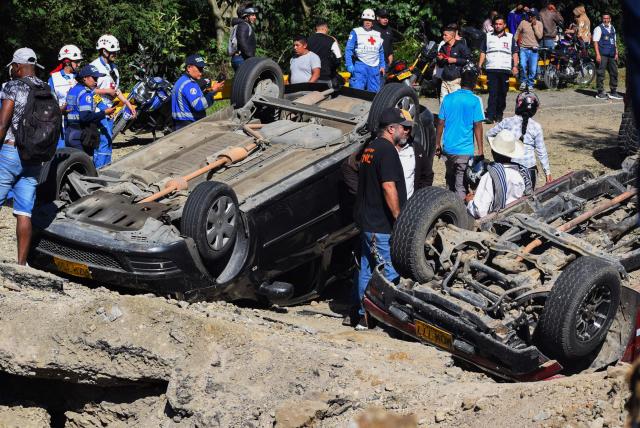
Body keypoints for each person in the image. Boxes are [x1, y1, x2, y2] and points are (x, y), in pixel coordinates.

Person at [353, 107, 410, 329]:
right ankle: (385, 318)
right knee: (388, 272)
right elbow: (388, 186)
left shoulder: (370, 148)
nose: (406, 132)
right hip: (381, 225)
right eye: (403, 128)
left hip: (367, 222)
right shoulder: (387, 151)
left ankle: (364, 317)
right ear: (390, 128)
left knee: (367, 271)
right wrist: (398, 217)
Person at [0, 48, 49, 265]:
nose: (11, 70)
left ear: (18, 66)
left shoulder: (13, 86)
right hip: (35, 158)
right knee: (24, 212)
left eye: (13, 66)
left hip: (11, 152)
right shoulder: (47, 89)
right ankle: (21, 265)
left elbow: (3, 124)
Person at [435, 64, 485, 200]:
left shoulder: (448, 98)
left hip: (448, 149)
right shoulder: (475, 101)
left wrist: (437, 143)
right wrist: (480, 150)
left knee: (450, 179)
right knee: (461, 185)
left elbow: (440, 122)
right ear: (474, 83)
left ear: (460, 80)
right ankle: (460, 214)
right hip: (464, 151)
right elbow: (478, 126)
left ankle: (448, 206)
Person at [486, 91, 551, 188]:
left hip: (509, 167)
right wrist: (547, 173)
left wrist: (498, 149)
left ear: (518, 105)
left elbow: (488, 134)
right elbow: (541, 152)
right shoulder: (536, 127)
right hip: (530, 170)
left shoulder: (507, 122)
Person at [90, 34, 135, 168]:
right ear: (104, 51)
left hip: (110, 109)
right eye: (113, 51)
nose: (115, 54)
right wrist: (104, 101)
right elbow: (89, 91)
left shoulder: (113, 68)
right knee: (103, 141)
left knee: (109, 140)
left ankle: (107, 168)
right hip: (99, 109)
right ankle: (98, 171)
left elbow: (115, 90)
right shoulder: (94, 67)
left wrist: (128, 104)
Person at [466, 129, 533, 218]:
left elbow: (481, 211)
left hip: (498, 221)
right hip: (518, 215)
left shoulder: (490, 176)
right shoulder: (521, 173)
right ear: (512, 155)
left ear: (493, 152)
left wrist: (470, 202)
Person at [65, 65, 116, 154]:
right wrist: (104, 113)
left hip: (69, 132)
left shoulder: (73, 89)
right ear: (85, 78)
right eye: (94, 78)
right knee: (84, 166)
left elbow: (98, 100)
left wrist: (106, 109)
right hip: (80, 135)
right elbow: (85, 117)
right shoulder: (86, 93)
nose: (96, 82)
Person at [479, 15, 519, 124]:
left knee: (502, 93)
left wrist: (515, 66)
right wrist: (479, 65)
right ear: (493, 25)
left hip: (505, 69)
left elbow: (515, 53)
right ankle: (490, 116)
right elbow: (483, 51)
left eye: (500, 24)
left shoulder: (510, 37)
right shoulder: (488, 36)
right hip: (491, 68)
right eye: (496, 24)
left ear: (504, 25)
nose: (498, 26)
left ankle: (499, 114)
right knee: (492, 93)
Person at [171, 54, 224, 131]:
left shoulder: (181, 81)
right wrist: (213, 91)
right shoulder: (189, 84)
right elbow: (199, 106)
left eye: (202, 68)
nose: (201, 72)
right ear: (189, 68)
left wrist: (208, 91)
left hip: (180, 124)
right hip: (188, 126)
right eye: (199, 68)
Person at [49, 44, 82, 148]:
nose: (79, 64)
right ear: (67, 62)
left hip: (79, 124)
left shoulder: (81, 78)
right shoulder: (53, 79)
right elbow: (49, 102)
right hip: (61, 125)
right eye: (76, 61)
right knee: (61, 155)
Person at [345, 9, 385, 92]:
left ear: (373, 22)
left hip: (374, 67)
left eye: (370, 20)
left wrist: (382, 66)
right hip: (360, 65)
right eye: (366, 20)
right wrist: (349, 64)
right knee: (357, 92)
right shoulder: (356, 32)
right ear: (363, 20)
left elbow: (381, 51)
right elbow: (348, 49)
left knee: (374, 94)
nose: (368, 22)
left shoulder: (377, 34)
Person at [437, 23, 471, 102]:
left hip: (456, 80)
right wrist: (440, 59)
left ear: (452, 36)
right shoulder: (443, 47)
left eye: (446, 35)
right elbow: (440, 65)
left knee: (455, 102)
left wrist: (455, 60)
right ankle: (443, 115)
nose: (443, 37)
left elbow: (468, 60)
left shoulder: (461, 46)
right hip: (445, 79)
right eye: (443, 35)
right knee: (443, 102)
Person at [594, 13, 623, 100]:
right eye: (604, 18)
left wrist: (616, 53)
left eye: (607, 18)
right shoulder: (598, 28)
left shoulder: (613, 28)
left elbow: (614, 41)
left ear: (610, 19)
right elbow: (595, 42)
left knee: (614, 72)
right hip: (602, 54)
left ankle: (613, 92)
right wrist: (597, 54)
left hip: (612, 54)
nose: (606, 20)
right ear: (602, 19)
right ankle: (600, 92)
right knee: (601, 73)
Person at [307, 19, 342, 87]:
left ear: (316, 28)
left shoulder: (307, 40)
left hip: (310, 77)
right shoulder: (331, 40)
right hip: (325, 76)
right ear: (325, 28)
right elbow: (338, 59)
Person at [515, 9, 543, 91]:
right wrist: (513, 44)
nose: (530, 17)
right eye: (529, 15)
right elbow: (517, 33)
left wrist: (534, 26)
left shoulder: (539, 24)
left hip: (534, 50)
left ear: (536, 16)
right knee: (523, 66)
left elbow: (540, 36)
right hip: (523, 48)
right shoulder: (523, 22)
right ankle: (523, 82)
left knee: (533, 69)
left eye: (532, 15)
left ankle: (530, 84)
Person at [229, 6, 258, 71]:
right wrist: (251, 57)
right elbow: (242, 42)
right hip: (241, 59)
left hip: (241, 59)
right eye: (252, 15)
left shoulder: (243, 25)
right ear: (246, 16)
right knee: (248, 80)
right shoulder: (243, 25)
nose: (255, 17)